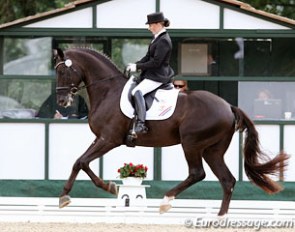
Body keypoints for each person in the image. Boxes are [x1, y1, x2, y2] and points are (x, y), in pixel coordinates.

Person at [126, 12, 174, 134]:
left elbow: (156, 62)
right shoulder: (157, 38)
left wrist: (137, 66)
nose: (149, 28)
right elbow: (148, 57)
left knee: (137, 91)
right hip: (152, 74)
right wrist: (135, 65)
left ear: (159, 24)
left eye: (151, 25)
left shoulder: (164, 40)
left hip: (158, 76)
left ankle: (141, 124)